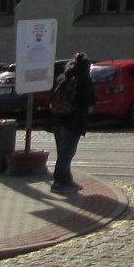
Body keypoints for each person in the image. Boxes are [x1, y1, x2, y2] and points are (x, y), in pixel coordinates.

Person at [48, 52, 95, 190]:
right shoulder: (84, 78)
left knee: (63, 152)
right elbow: (91, 99)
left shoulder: (62, 76)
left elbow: (52, 94)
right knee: (67, 153)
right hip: (73, 120)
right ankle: (57, 182)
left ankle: (67, 180)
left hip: (57, 118)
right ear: (87, 66)